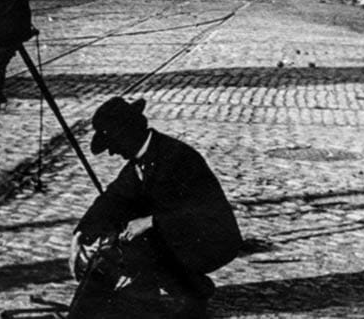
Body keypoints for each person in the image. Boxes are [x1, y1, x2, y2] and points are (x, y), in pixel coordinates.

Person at [71, 97, 242, 318]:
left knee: (139, 239)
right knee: (122, 228)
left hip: (212, 238)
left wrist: (150, 221)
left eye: (113, 144)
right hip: (181, 232)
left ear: (126, 135)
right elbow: (114, 199)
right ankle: (151, 294)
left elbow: (201, 210)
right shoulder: (142, 158)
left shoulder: (175, 157)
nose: (113, 153)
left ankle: (191, 295)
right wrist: (81, 235)